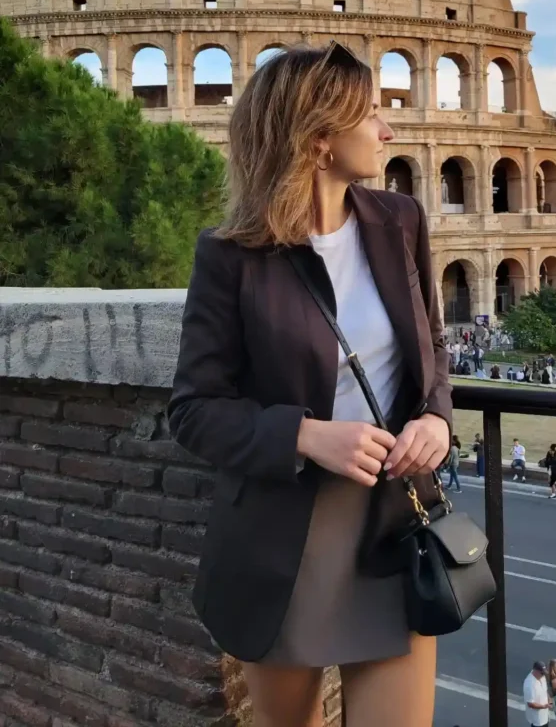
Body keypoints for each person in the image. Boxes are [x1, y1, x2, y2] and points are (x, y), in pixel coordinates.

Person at [167, 41, 450, 727]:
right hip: (283, 537)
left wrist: (436, 419)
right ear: (320, 141)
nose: (388, 130)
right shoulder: (231, 254)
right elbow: (193, 409)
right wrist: (302, 434)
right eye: (372, 115)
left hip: (393, 525)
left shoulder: (400, 222)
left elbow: (432, 348)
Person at [523, 661, 552, 726]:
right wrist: (544, 706)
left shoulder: (541, 676)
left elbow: (544, 690)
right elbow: (530, 704)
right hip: (537, 720)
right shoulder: (529, 685)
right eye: (542, 673)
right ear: (535, 671)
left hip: (545, 715)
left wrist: (549, 699)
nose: (543, 675)